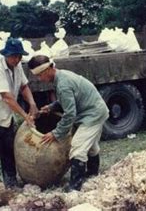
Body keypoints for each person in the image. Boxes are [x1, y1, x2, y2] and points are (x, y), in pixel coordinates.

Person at [28, 55, 109, 191]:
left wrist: (55, 133)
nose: (39, 79)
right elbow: (68, 99)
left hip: (92, 114)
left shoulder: (62, 84)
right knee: (91, 146)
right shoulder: (61, 76)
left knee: (77, 148)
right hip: (92, 110)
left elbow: (70, 114)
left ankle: (75, 187)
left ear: (47, 70)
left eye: (40, 75)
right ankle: (93, 174)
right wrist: (52, 106)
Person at [0, 37, 38, 189]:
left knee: (9, 148)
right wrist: (25, 116)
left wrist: (32, 103)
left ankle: (11, 183)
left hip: (6, 115)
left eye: (19, 56)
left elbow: (24, 87)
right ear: (6, 54)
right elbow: (7, 97)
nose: (17, 59)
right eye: (13, 56)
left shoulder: (17, 67)